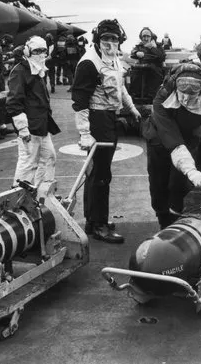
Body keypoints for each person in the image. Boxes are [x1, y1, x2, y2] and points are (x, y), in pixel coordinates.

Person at [71, 19, 142, 243]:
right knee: (100, 174)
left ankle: (94, 219)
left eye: (114, 38)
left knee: (99, 173)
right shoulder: (89, 63)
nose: (110, 42)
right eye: (106, 38)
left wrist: (132, 109)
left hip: (110, 116)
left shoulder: (113, 61)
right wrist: (84, 132)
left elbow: (121, 88)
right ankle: (98, 223)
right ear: (97, 40)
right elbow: (79, 100)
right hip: (96, 118)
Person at [144, 61, 201, 229]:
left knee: (180, 184)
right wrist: (190, 170)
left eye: (193, 91)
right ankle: (163, 221)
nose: (186, 96)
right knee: (159, 183)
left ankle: (179, 221)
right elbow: (172, 139)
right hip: (160, 136)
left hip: (191, 133)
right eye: (182, 90)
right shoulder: (162, 95)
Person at [6, 36, 60, 189]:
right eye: (36, 51)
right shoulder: (20, 71)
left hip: (42, 125)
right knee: (28, 163)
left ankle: (41, 193)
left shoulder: (39, 70)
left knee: (49, 157)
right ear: (27, 52)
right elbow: (13, 102)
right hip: (30, 127)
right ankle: (18, 197)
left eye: (43, 50)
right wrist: (22, 128)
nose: (40, 54)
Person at [129, 27, 166, 103]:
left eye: (148, 36)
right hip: (142, 68)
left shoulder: (158, 46)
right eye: (144, 36)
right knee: (134, 72)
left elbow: (162, 57)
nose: (146, 38)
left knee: (154, 73)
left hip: (155, 68)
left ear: (151, 37)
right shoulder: (139, 46)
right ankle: (136, 96)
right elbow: (133, 52)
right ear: (141, 37)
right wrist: (136, 53)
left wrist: (152, 48)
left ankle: (152, 97)